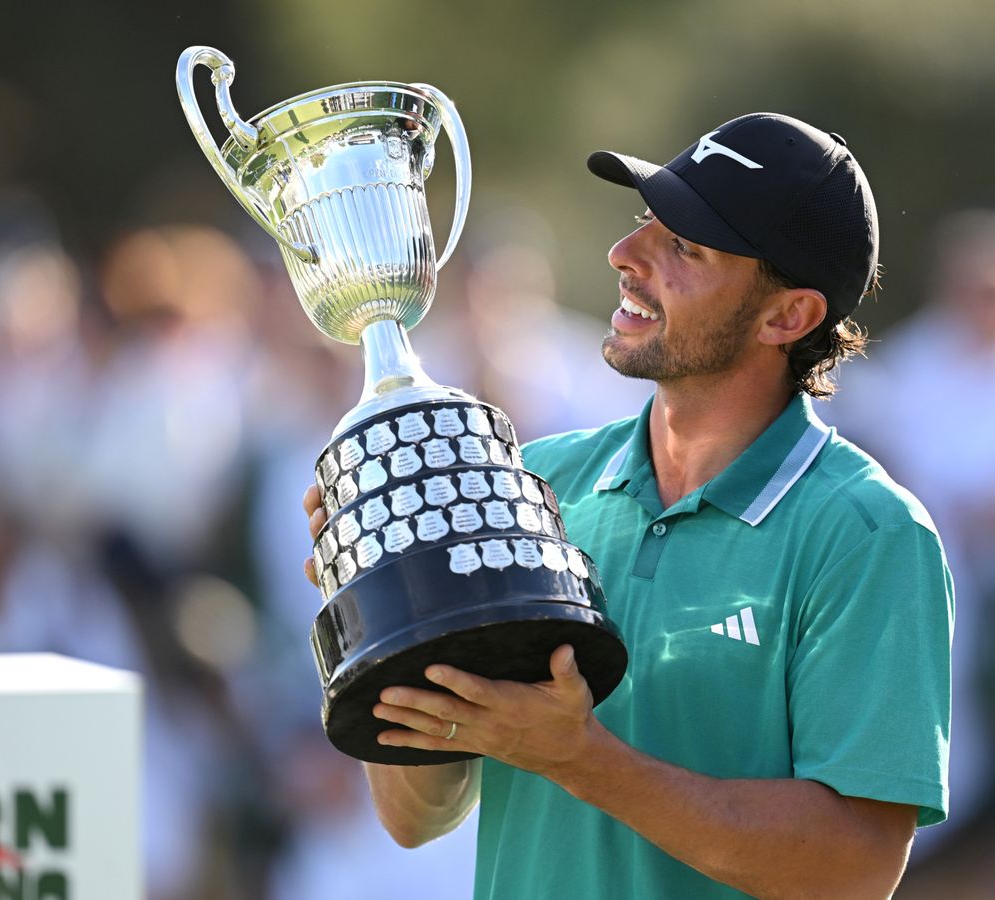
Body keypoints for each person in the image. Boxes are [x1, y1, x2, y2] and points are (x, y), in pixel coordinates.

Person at [302, 113, 954, 898]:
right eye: (646, 219)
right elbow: (418, 815)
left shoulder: (866, 532)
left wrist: (580, 758)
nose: (625, 254)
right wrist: (381, 601)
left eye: (684, 246)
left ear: (789, 316)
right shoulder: (533, 483)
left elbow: (854, 869)